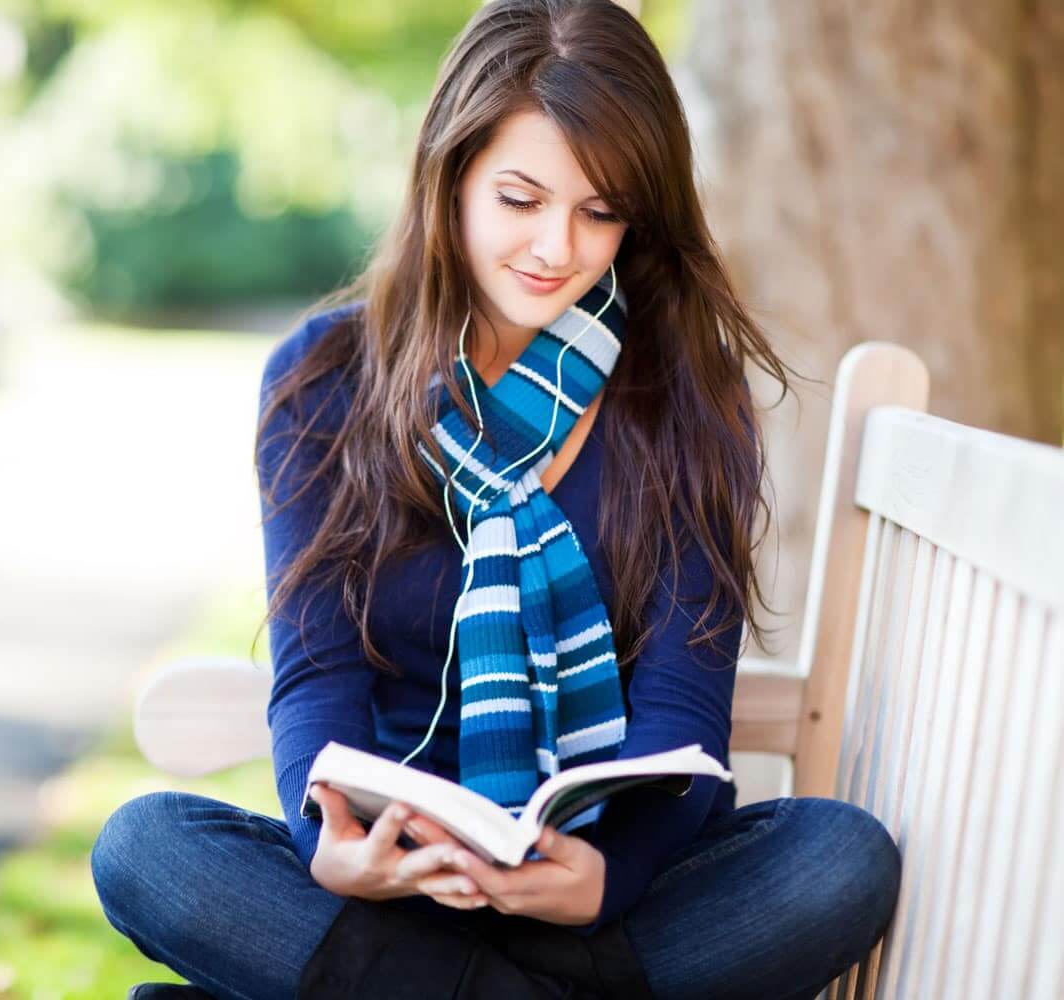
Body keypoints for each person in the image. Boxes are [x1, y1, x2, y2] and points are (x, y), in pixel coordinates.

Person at [91, 1, 901, 997]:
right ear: (452, 175)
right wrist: (329, 848)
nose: (556, 247)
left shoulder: (689, 389)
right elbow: (315, 676)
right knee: (146, 847)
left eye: (600, 211)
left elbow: (685, 712)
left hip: (605, 907)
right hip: (394, 897)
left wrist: (606, 876)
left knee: (838, 858)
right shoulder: (323, 380)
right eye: (521, 198)